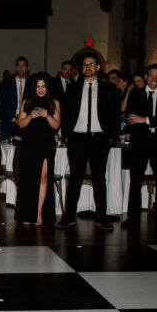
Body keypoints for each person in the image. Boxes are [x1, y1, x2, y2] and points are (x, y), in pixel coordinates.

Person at [58, 52, 120, 230]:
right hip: (77, 139)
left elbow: (115, 116)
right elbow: (67, 114)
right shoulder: (73, 88)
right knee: (75, 178)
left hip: (100, 139)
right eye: (85, 65)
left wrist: (111, 138)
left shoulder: (109, 89)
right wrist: (67, 136)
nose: (88, 67)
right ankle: (69, 216)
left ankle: (102, 216)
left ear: (98, 68)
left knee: (100, 179)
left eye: (91, 64)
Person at [123, 64, 157, 229]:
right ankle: (133, 218)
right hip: (139, 142)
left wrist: (145, 120)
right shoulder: (136, 94)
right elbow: (131, 119)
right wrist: (154, 121)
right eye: (151, 76)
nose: (154, 79)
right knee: (135, 180)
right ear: (146, 76)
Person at [15, 73, 60, 225]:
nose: (40, 90)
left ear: (47, 87)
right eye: (38, 87)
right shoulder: (26, 102)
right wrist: (30, 117)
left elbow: (56, 125)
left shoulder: (54, 103)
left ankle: (39, 213)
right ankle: (28, 214)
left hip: (46, 144)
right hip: (29, 144)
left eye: (43, 87)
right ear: (34, 88)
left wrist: (47, 115)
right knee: (28, 179)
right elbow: (21, 124)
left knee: (43, 178)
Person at [0, 56, 30, 139]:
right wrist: (13, 118)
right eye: (18, 66)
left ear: (27, 68)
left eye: (23, 65)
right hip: (9, 121)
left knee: (24, 150)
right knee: (7, 149)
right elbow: (3, 104)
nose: (20, 68)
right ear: (15, 68)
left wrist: (24, 118)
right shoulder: (7, 84)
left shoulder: (31, 86)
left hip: (25, 123)